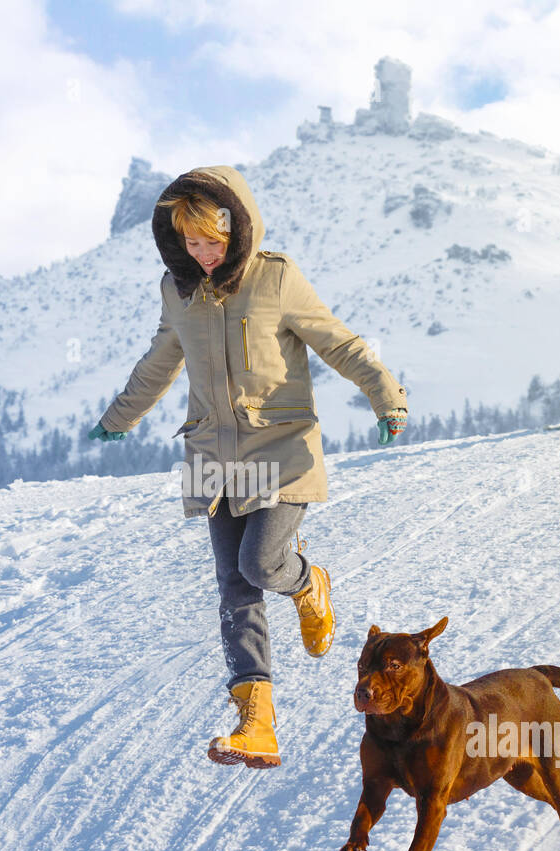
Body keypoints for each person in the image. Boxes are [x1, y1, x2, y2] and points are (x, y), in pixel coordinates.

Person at [88, 164, 407, 769]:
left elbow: (337, 342)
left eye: (212, 241)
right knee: (234, 589)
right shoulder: (177, 290)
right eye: (191, 242)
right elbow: (160, 360)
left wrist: (386, 395)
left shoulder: (275, 279)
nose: (203, 254)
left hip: (278, 446)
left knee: (261, 563)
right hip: (212, 453)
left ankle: (309, 583)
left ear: (238, 230)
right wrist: (119, 416)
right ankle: (256, 723)